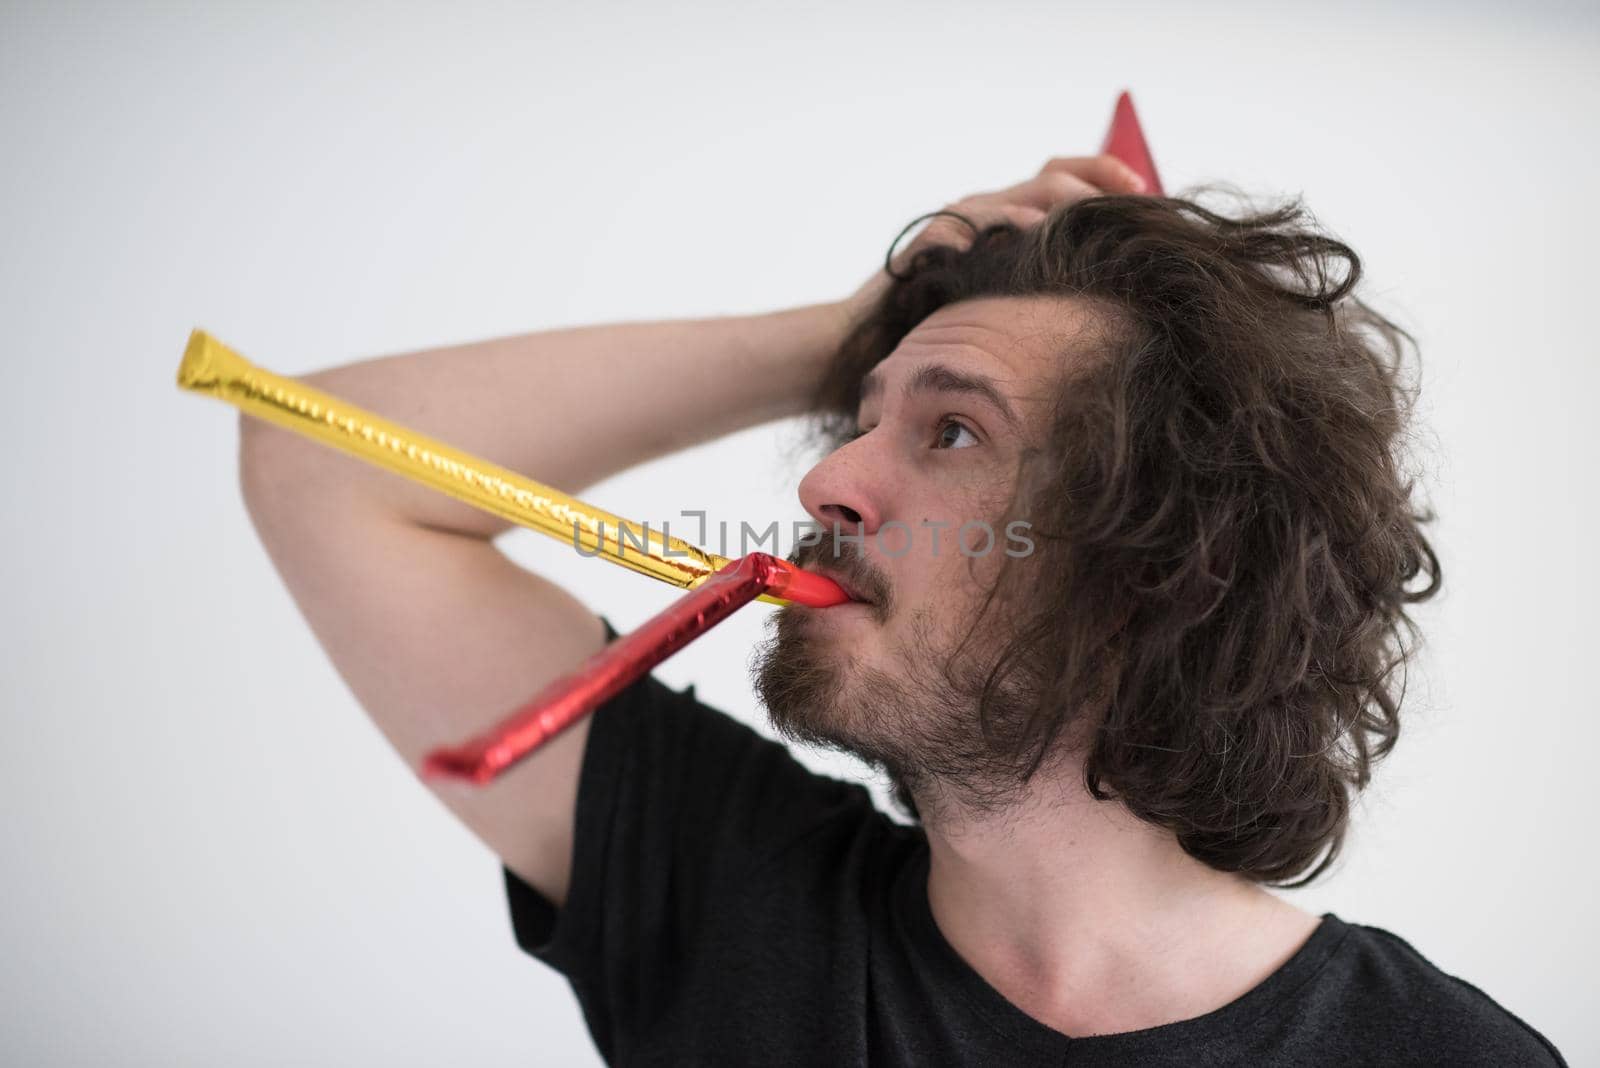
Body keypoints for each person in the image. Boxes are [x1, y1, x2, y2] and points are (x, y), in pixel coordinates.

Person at [239, 155, 1564, 1065]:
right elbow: (316, 461)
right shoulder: (727, 898)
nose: (824, 482)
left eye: (950, 434)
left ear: (1159, 563)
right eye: (858, 417)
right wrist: (857, 325)